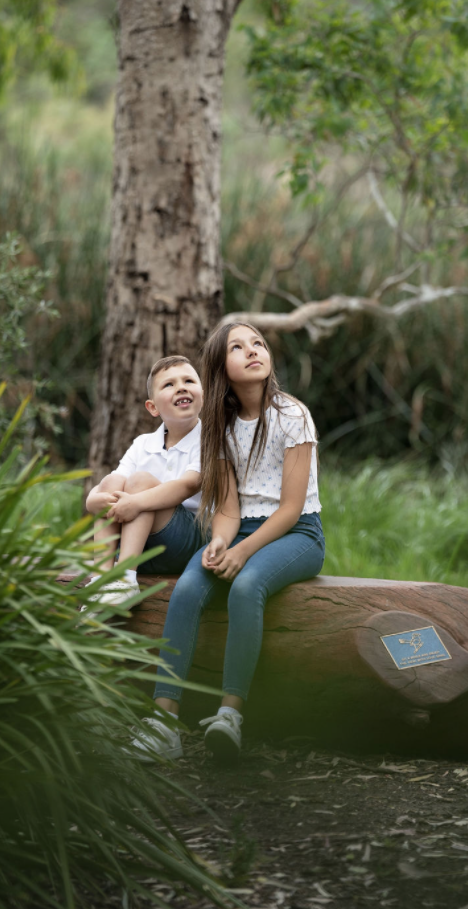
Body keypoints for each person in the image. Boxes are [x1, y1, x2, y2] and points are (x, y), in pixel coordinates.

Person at [136, 323, 325, 764]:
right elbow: (227, 507)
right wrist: (220, 543)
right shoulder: (217, 426)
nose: (253, 351)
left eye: (257, 343)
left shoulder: (291, 415)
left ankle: (230, 714)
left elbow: (292, 508)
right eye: (238, 347)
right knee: (186, 589)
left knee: (245, 587)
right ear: (222, 366)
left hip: (297, 534)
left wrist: (243, 553)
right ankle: (163, 723)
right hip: (239, 529)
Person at [84, 355, 204, 608]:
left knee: (139, 481)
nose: (181, 386)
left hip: (187, 542)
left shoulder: (209, 439)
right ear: (153, 408)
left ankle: (125, 580)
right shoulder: (143, 444)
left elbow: (189, 485)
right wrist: (93, 499)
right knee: (111, 482)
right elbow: (114, 481)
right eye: (168, 385)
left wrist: (136, 502)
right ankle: (101, 578)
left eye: (188, 380)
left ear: (202, 393)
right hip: (139, 544)